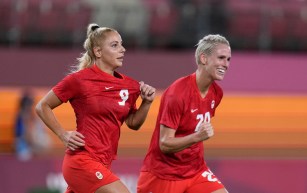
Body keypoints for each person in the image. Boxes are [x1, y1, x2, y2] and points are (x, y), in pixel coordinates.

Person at [35, 23, 156, 193]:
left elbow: (133, 123)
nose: (123, 50)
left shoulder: (130, 86)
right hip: (81, 161)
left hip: (103, 164)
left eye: (121, 44)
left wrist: (147, 102)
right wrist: (63, 134)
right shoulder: (79, 80)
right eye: (115, 45)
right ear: (98, 52)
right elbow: (42, 106)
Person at [137, 34, 231, 193]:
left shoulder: (217, 93)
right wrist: (198, 137)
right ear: (204, 59)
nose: (226, 64)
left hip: (196, 171)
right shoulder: (177, 93)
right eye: (221, 58)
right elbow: (165, 143)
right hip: (164, 174)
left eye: (228, 59)